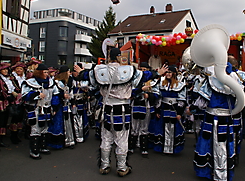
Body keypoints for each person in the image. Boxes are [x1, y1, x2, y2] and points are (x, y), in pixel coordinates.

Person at [75, 48, 167, 177]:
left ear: (108, 57)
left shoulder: (99, 71)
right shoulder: (128, 70)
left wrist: (81, 72)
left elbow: (87, 76)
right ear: (119, 57)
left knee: (106, 138)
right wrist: (158, 72)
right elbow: (145, 75)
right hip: (122, 109)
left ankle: (104, 165)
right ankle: (122, 167)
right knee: (122, 138)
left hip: (106, 108)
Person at [193, 63, 243, 181]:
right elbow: (239, 101)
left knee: (209, 143)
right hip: (227, 118)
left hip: (212, 117)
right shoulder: (236, 80)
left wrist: (192, 109)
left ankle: (211, 172)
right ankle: (222, 173)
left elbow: (201, 103)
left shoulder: (211, 81)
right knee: (224, 145)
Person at [22, 64, 59, 159]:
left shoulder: (51, 82)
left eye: (47, 72)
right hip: (36, 109)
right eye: (44, 72)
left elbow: (55, 94)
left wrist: (55, 107)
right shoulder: (30, 82)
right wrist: (36, 94)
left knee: (45, 128)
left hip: (47, 108)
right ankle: (34, 150)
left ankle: (43, 146)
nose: (46, 74)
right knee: (35, 129)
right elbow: (24, 95)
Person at [151, 65, 186, 155]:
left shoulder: (180, 85)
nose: (168, 74)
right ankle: (163, 148)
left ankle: (172, 148)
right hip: (164, 109)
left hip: (174, 109)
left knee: (174, 128)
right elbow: (159, 98)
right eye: (167, 72)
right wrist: (157, 110)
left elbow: (182, 99)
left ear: (174, 74)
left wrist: (179, 113)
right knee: (162, 127)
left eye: (170, 72)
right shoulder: (162, 84)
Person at [129, 62, 160, 157]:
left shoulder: (153, 81)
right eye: (141, 69)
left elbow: (157, 94)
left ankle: (144, 148)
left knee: (144, 127)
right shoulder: (134, 80)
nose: (143, 71)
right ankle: (131, 146)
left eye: (145, 70)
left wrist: (149, 95)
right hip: (135, 105)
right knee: (134, 127)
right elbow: (129, 92)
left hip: (146, 105)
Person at [47, 65, 75, 149]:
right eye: (68, 72)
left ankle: (68, 141)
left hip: (67, 105)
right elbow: (53, 94)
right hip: (59, 106)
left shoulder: (69, 82)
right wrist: (62, 96)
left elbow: (71, 92)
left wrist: (72, 101)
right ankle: (57, 143)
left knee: (68, 123)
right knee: (58, 124)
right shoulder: (55, 82)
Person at [0, 62, 15, 148]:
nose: (5, 71)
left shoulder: (8, 78)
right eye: (4, 69)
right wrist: (6, 96)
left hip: (6, 102)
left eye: (6, 69)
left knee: (4, 121)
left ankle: (0, 139)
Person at [10, 62, 27, 144]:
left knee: (20, 118)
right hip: (15, 100)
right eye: (17, 69)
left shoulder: (24, 78)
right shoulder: (12, 78)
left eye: (21, 69)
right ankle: (13, 135)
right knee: (15, 118)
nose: (19, 70)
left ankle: (17, 134)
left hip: (23, 100)